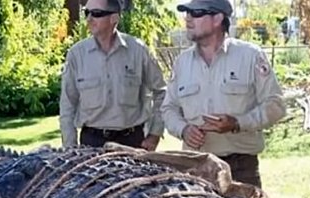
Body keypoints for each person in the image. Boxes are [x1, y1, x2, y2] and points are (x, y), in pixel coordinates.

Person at [160, 0, 286, 188]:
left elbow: (276, 106)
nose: (188, 19)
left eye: (195, 13)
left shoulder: (250, 56)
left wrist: (237, 123)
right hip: (196, 168)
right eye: (187, 13)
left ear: (218, 18)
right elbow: (168, 108)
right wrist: (184, 130)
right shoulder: (182, 63)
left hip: (241, 168)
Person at [59, 0, 167, 151]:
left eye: (96, 14)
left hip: (131, 142)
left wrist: (155, 134)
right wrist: (70, 148)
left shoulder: (138, 50)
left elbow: (162, 91)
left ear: (114, 18)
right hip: (91, 143)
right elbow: (67, 104)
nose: (89, 19)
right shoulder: (77, 55)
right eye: (86, 13)